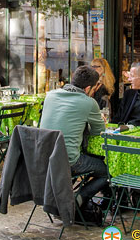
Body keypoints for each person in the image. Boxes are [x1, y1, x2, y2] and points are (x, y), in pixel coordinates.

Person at [39, 65, 108, 209]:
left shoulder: (50, 95)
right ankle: (78, 198)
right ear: (88, 88)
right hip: (68, 161)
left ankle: (64, 197)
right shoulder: (88, 102)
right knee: (109, 171)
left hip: (43, 157)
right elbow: (98, 132)